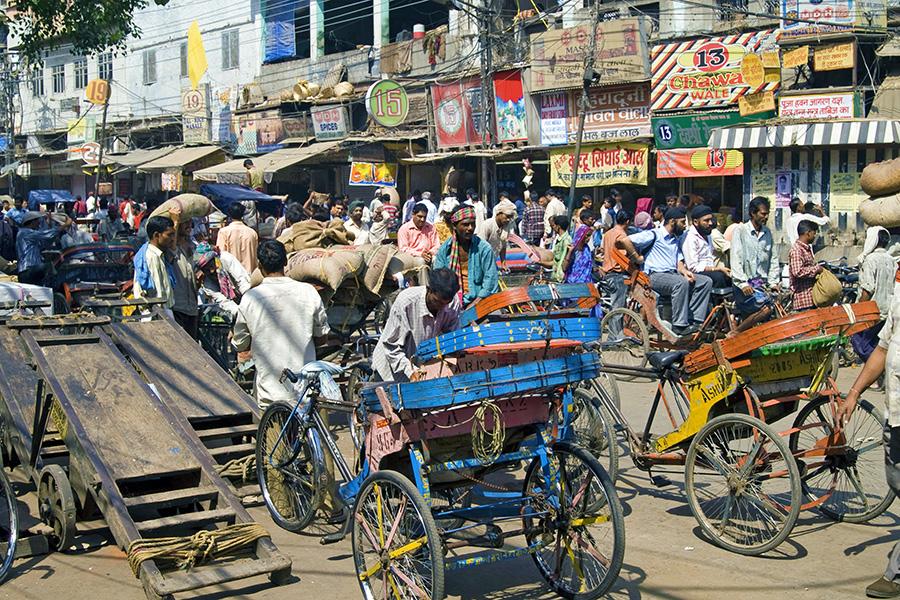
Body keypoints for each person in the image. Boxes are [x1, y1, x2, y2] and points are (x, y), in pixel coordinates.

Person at [836, 277, 900, 598]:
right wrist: (854, 392)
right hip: (895, 409)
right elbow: (884, 346)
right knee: (896, 480)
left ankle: (895, 575)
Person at [232, 239, 329, 408]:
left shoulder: (251, 298)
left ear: (259, 266)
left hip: (270, 393)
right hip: (305, 388)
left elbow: (240, 344)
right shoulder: (308, 291)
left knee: (274, 432)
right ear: (285, 262)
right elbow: (322, 338)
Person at [617, 206, 712, 336]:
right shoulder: (654, 234)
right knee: (681, 283)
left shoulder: (675, 239)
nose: (685, 226)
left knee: (705, 281)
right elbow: (625, 240)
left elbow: (678, 261)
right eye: (682, 222)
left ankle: (696, 321)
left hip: (672, 274)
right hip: (655, 276)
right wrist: (636, 257)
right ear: (672, 222)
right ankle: (679, 325)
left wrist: (684, 271)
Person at [371, 268, 461, 382]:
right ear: (429, 290)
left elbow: (452, 338)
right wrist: (410, 372)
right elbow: (391, 345)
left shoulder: (452, 304)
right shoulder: (407, 302)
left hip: (423, 370)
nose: (441, 307)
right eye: (437, 301)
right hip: (391, 370)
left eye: (446, 303)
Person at [730, 196, 780, 330]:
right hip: (744, 286)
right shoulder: (740, 231)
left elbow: (773, 259)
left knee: (779, 303)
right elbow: (735, 258)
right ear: (753, 213)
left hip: (761, 285)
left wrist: (773, 282)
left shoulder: (767, 233)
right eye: (763, 213)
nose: (766, 216)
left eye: (767, 213)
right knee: (767, 309)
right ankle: (737, 332)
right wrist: (742, 283)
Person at [434, 204, 499, 305]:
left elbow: (490, 282)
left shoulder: (484, 248)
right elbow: (438, 279)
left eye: (473, 224)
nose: (470, 228)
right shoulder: (445, 249)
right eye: (465, 224)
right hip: (450, 301)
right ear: (454, 226)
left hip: (479, 301)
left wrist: (474, 306)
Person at [195, 242, 251, 317]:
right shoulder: (207, 284)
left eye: (211, 266)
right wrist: (239, 312)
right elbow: (222, 301)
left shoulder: (226, 259)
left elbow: (242, 281)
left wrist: (249, 303)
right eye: (206, 269)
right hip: (234, 307)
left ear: (215, 259)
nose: (211, 271)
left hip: (246, 297)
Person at [682, 204, 731, 288]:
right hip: (695, 274)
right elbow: (693, 267)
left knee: (731, 277)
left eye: (711, 219)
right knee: (719, 277)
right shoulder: (689, 237)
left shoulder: (707, 234)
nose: (711, 223)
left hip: (710, 270)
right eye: (706, 220)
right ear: (696, 222)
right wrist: (717, 269)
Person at [132, 216, 177, 308]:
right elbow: (158, 293)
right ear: (156, 235)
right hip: (158, 313)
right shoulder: (152, 257)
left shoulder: (159, 254)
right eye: (169, 235)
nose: (172, 239)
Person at [16, 212, 70, 285]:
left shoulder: (29, 236)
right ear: (32, 222)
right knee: (49, 267)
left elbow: (44, 243)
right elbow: (46, 235)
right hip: (28, 269)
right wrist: (65, 225)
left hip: (28, 271)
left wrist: (49, 225)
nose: (39, 223)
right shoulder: (25, 232)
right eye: (37, 221)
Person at [601, 210, 632, 338]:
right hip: (618, 274)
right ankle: (614, 338)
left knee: (615, 306)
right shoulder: (622, 236)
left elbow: (603, 251)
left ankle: (615, 336)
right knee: (618, 308)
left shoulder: (607, 234)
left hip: (607, 273)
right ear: (628, 222)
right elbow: (625, 256)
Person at [788, 220, 823, 311]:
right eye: (814, 233)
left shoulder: (806, 249)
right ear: (808, 233)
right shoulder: (797, 250)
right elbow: (797, 272)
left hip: (810, 298)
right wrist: (816, 269)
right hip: (803, 300)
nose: (815, 236)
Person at [217, 203, 259, 274]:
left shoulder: (224, 232)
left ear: (229, 214)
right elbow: (256, 256)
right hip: (250, 275)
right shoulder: (252, 233)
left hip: (233, 276)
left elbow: (221, 255)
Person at [477, 199, 516, 268]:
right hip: (481, 263)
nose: (508, 220)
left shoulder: (506, 227)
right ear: (499, 213)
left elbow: (503, 247)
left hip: (492, 261)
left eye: (510, 217)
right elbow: (480, 247)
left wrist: (503, 263)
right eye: (507, 216)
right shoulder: (487, 225)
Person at [564, 209, 596, 284]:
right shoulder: (573, 249)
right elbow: (565, 267)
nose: (588, 239)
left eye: (589, 236)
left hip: (586, 282)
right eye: (587, 236)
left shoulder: (586, 249)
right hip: (574, 282)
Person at [542, 215, 571, 283]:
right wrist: (540, 263)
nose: (553, 228)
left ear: (558, 226)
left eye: (553, 226)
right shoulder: (559, 239)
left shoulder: (566, 240)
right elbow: (556, 261)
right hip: (556, 274)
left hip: (561, 277)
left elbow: (564, 260)